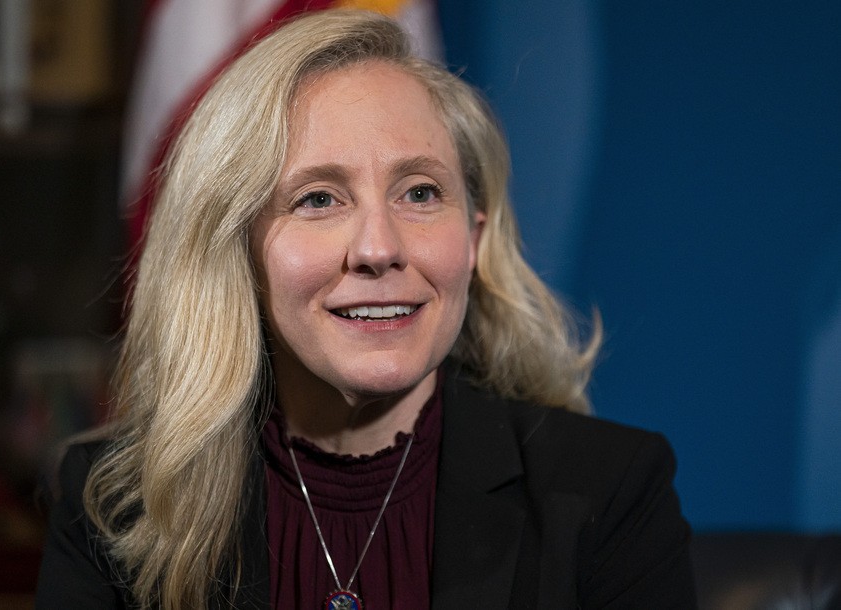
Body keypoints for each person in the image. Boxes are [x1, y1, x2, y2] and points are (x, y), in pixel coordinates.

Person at [36, 9, 696, 609]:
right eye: (318, 199)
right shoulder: (114, 506)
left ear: (472, 238)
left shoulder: (608, 489)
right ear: (234, 250)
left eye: (419, 192)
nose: (378, 249)